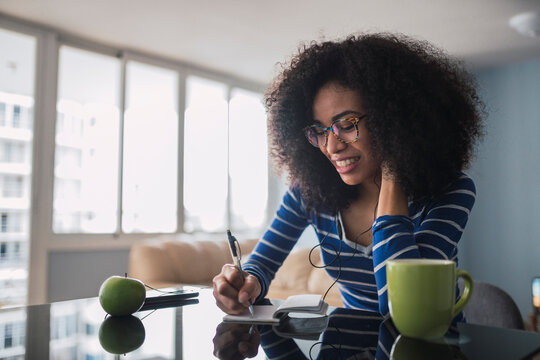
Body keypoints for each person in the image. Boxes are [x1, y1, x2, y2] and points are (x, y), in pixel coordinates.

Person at [212, 33, 484, 317]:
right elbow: (262, 264)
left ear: (393, 120)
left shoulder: (450, 191)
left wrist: (394, 170)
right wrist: (245, 283)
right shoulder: (308, 192)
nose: (332, 146)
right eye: (319, 130)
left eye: (347, 123)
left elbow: (407, 310)